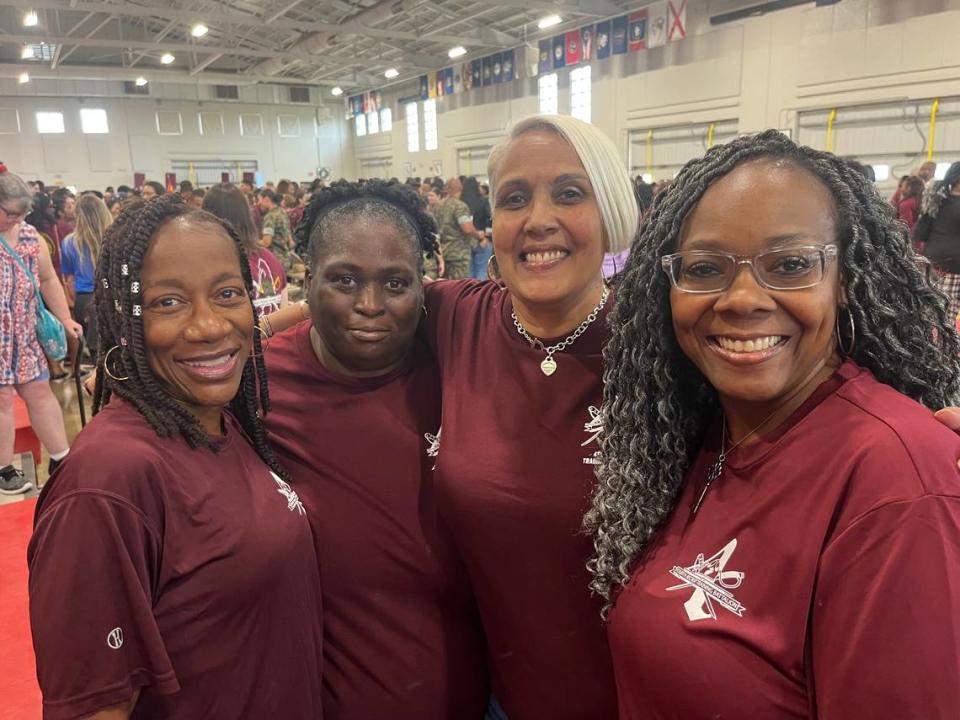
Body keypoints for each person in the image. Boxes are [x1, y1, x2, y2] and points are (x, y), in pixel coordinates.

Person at [589, 130, 960, 719]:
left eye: (789, 265)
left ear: (846, 281)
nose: (741, 298)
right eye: (705, 268)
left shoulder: (897, 481)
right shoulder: (705, 429)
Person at [28, 195, 324, 719]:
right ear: (126, 315)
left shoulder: (223, 420)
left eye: (227, 294)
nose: (209, 326)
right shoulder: (108, 481)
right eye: (168, 302)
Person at [422, 115, 639, 719]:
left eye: (569, 193)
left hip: (634, 699)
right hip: (499, 696)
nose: (538, 218)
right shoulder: (455, 316)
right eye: (515, 199)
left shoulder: (662, 340)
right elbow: (345, 309)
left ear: (610, 211)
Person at [264, 180, 488, 718]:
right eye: (343, 279)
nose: (369, 305)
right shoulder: (255, 383)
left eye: (394, 283)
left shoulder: (463, 367)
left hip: (475, 692)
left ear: (423, 285)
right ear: (308, 279)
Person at [0, 164, 82, 494]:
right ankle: (4, 469)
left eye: (24, 212)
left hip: (26, 332)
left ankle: (61, 456)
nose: (18, 219)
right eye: (11, 213)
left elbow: (48, 280)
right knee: (2, 401)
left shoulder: (32, 236)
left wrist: (64, 318)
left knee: (40, 393)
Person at [202, 183, 288, 318]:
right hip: (274, 337)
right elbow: (284, 312)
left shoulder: (211, 265)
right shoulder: (269, 258)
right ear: (247, 215)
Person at [61, 193, 112, 355]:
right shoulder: (114, 238)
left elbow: (69, 279)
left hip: (84, 298)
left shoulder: (70, 242)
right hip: (111, 295)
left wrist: (72, 302)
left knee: (95, 350)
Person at [916, 162, 960, 320]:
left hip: (934, 261)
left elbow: (921, 230)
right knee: (946, 315)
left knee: (932, 312)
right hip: (952, 266)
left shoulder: (936, 199)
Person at [434, 178, 486, 279]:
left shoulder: (438, 206)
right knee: (459, 285)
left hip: (443, 251)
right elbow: (467, 228)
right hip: (458, 253)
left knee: (445, 283)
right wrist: (479, 235)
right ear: (460, 188)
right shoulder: (460, 206)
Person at [462, 177, 493, 280]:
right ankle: (480, 294)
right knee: (482, 271)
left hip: (465, 243)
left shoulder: (461, 203)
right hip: (481, 239)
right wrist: (487, 238)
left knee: (469, 274)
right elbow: (489, 219)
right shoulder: (483, 201)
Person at [259, 189, 294, 272]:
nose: (259, 203)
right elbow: (290, 239)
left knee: (266, 284)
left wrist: (251, 242)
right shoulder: (282, 212)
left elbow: (266, 242)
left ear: (266, 199)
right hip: (286, 259)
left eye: (259, 199)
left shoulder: (270, 217)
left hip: (274, 261)